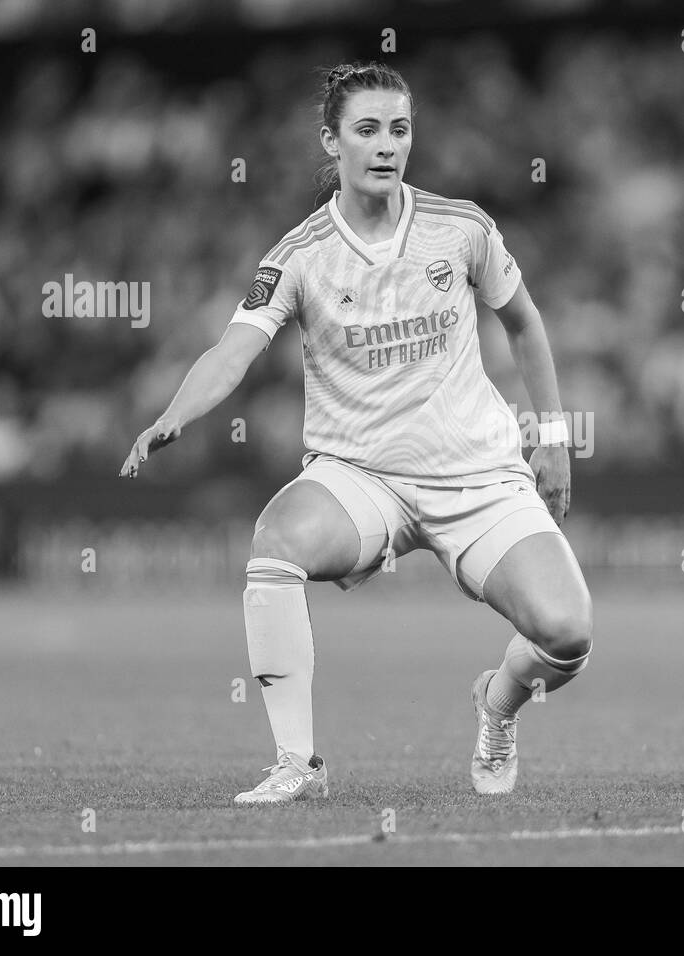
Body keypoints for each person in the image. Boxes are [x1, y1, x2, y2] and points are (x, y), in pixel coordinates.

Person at [119, 61, 592, 801]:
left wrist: (554, 437)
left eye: (398, 130)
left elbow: (524, 322)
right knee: (276, 541)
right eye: (366, 130)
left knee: (567, 636)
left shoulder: (461, 227)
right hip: (362, 476)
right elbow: (232, 348)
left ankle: (497, 703)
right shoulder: (300, 254)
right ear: (331, 142)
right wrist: (175, 414)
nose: (385, 146)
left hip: (477, 472)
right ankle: (298, 765)